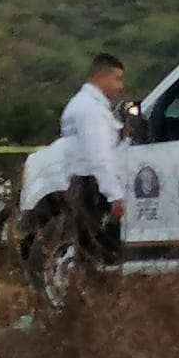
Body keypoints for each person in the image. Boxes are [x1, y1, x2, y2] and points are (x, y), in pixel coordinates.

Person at [59, 52, 128, 266]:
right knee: (98, 251)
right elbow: (99, 156)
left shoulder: (84, 104)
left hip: (84, 182)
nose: (121, 86)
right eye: (117, 79)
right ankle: (97, 294)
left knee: (89, 246)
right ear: (102, 77)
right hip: (92, 185)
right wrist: (114, 195)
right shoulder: (91, 110)